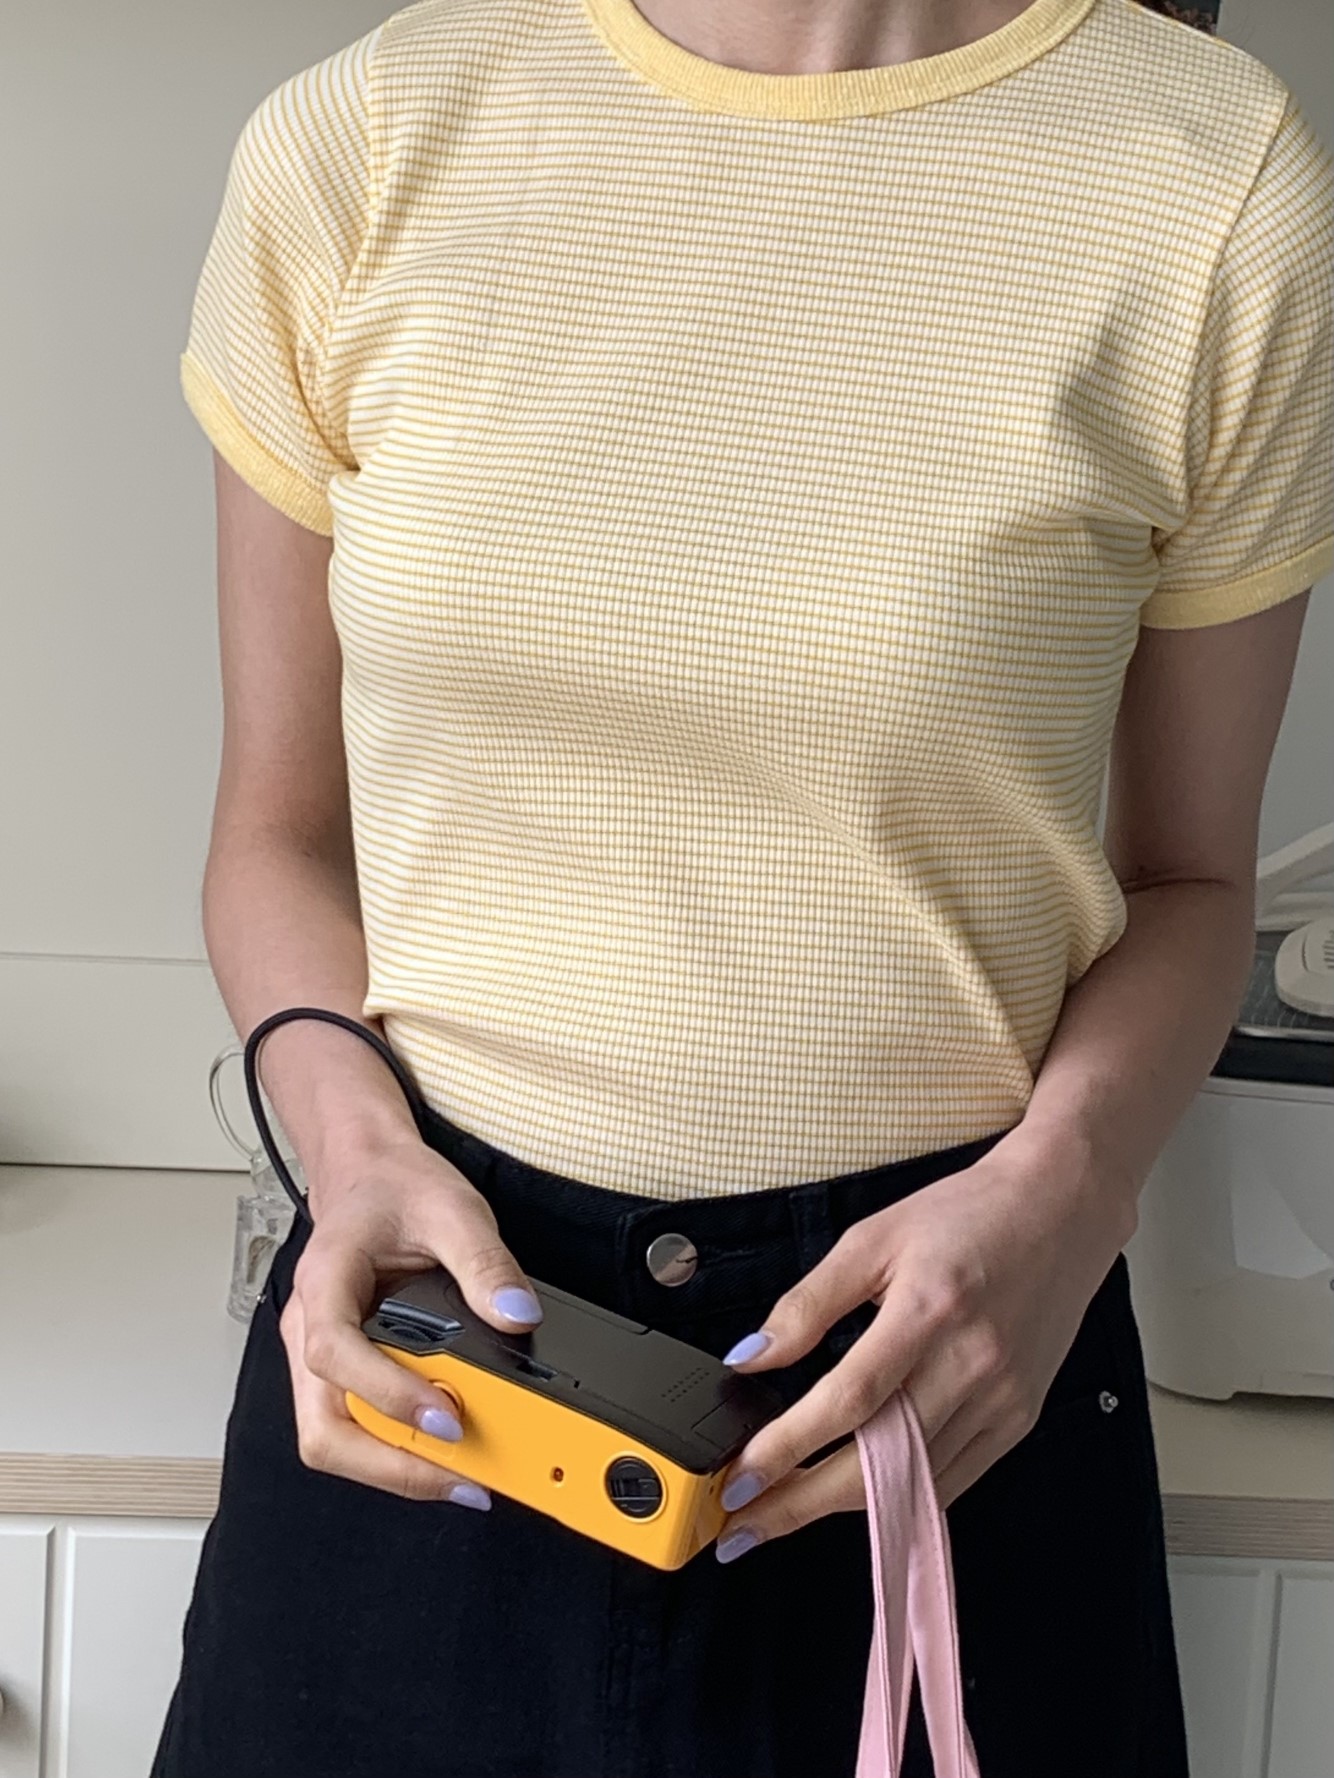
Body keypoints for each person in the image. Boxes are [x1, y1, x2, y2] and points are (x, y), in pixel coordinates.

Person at [153, 0, 1330, 1773]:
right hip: (428, 1347)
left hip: (941, 1354)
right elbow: (274, 831)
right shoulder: (370, 136)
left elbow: (1187, 880)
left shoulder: (1213, 179)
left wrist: (1070, 1194)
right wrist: (346, 1141)